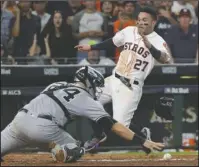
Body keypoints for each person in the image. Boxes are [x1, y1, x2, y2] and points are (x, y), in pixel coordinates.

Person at [1, 66, 164, 163]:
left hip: (19, 121)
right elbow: (113, 126)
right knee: (76, 149)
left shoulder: (57, 84)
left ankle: (53, 146)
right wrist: (141, 140)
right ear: (88, 83)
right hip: (44, 128)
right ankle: (60, 150)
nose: (98, 89)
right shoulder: (84, 97)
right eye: (96, 85)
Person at [75, 7, 173, 153]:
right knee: (86, 101)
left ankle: (142, 134)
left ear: (154, 22)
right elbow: (113, 42)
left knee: (121, 127)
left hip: (130, 87)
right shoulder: (129, 31)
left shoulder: (158, 41)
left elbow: (165, 59)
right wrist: (91, 47)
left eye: (145, 20)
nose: (140, 22)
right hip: (114, 79)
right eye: (139, 19)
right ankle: (98, 135)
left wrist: (150, 46)